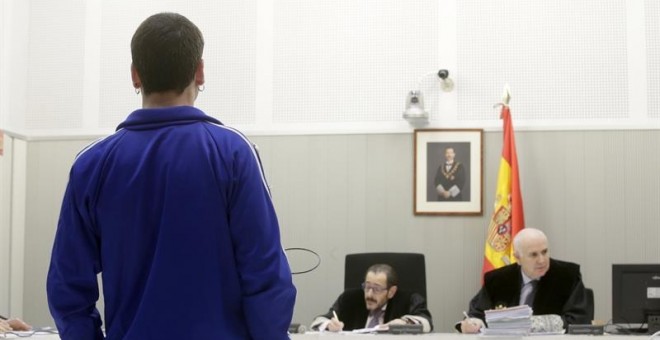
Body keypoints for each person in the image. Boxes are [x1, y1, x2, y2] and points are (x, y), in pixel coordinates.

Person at [46, 12, 296, 340]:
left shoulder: (91, 165)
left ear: (135, 76)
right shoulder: (234, 154)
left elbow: (67, 288)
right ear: (200, 72)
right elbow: (265, 277)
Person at [457, 228, 591, 333]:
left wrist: (524, 324)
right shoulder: (497, 280)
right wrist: (472, 324)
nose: (542, 260)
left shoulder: (568, 275)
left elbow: (579, 320)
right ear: (517, 258)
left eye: (544, 252)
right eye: (533, 254)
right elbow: (476, 314)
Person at [310, 264, 432, 333]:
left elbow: (426, 322)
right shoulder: (349, 299)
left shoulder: (408, 299)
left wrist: (404, 323)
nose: (369, 294)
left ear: (391, 291)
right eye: (367, 287)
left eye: (377, 289)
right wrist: (328, 325)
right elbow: (319, 321)